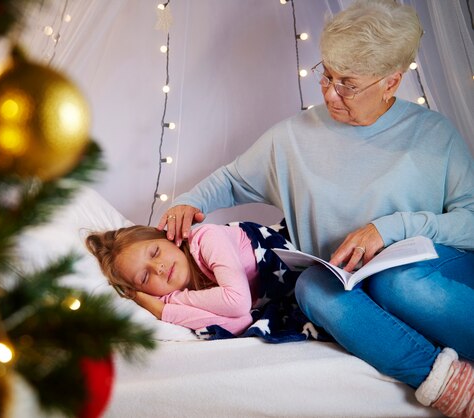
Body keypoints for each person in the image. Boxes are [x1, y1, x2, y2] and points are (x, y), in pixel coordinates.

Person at [157, 1, 474, 417]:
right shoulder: (292, 137)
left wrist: (390, 229)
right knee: (310, 288)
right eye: (326, 75)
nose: (329, 93)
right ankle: (452, 386)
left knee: (397, 282)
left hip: (429, 279)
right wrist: (189, 201)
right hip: (348, 283)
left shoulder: (434, 134)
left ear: (391, 83)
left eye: (347, 83)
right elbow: (233, 180)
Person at [85, 221, 317, 341]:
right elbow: (241, 322)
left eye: (155, 252)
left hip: (301, 257)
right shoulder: (168, 295)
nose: (159, 268)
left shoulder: (207, 238)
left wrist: (167, 308)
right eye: (145, 276)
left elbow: (237, 303)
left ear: (168, 238)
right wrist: (160, 308)